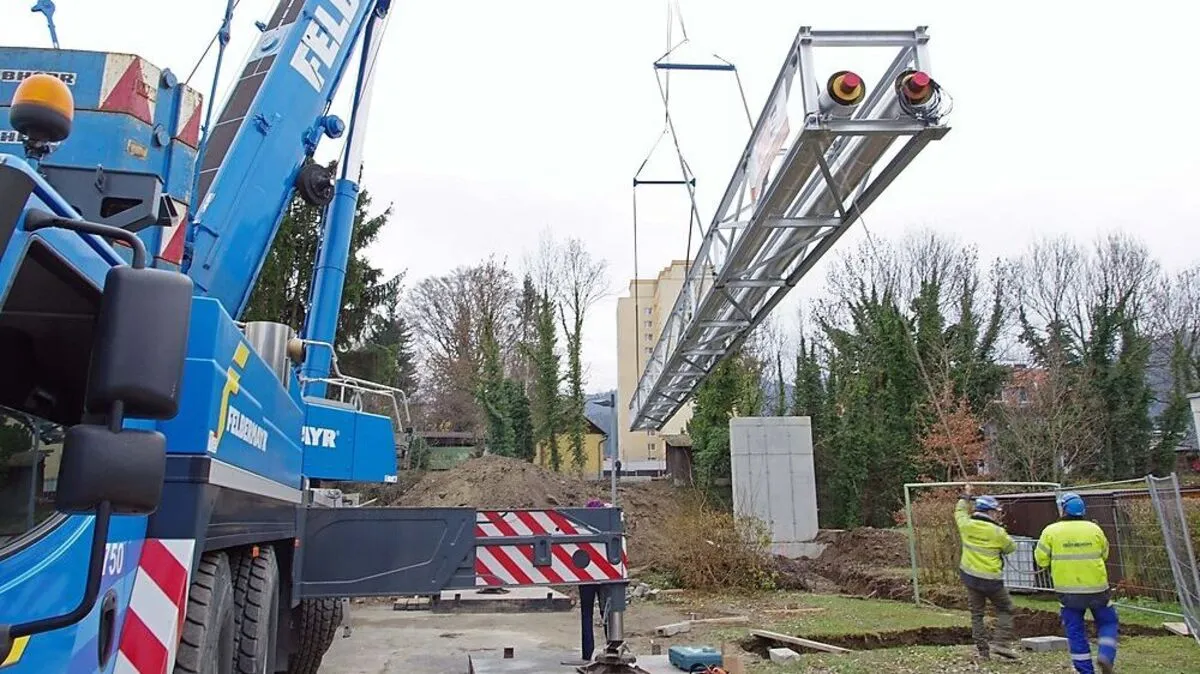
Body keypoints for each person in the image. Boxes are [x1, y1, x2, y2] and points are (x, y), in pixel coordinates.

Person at [1034, 492, 1118, 674]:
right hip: (1097, 590)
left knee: (1075, 631)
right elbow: (1104, 554)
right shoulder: (1094, 529)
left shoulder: (1050, 531)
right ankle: (1106, 655)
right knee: (1108, 622)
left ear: (1063, 509)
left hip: (1068, 593)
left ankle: (1085, 670)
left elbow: (1041, 560)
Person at [954, 486, 1019, 661]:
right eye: (996, 512)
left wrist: (966, 494)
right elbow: (1011, 548)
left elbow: (959, 510)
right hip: (991, 580)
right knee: (1006, 608)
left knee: (977, 614)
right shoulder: (998, 532)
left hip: (970, 578)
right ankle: (1001, 644)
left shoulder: (966, 524)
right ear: (989, 512)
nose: (998, 515)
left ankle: (983, 652)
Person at [578, 498, 610, 662]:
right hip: (604, 576)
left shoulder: (580, 526)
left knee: (586, 614)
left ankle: (586, 654)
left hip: (586, 576)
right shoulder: (608, 526)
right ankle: (612, 648)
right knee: (607, 612)